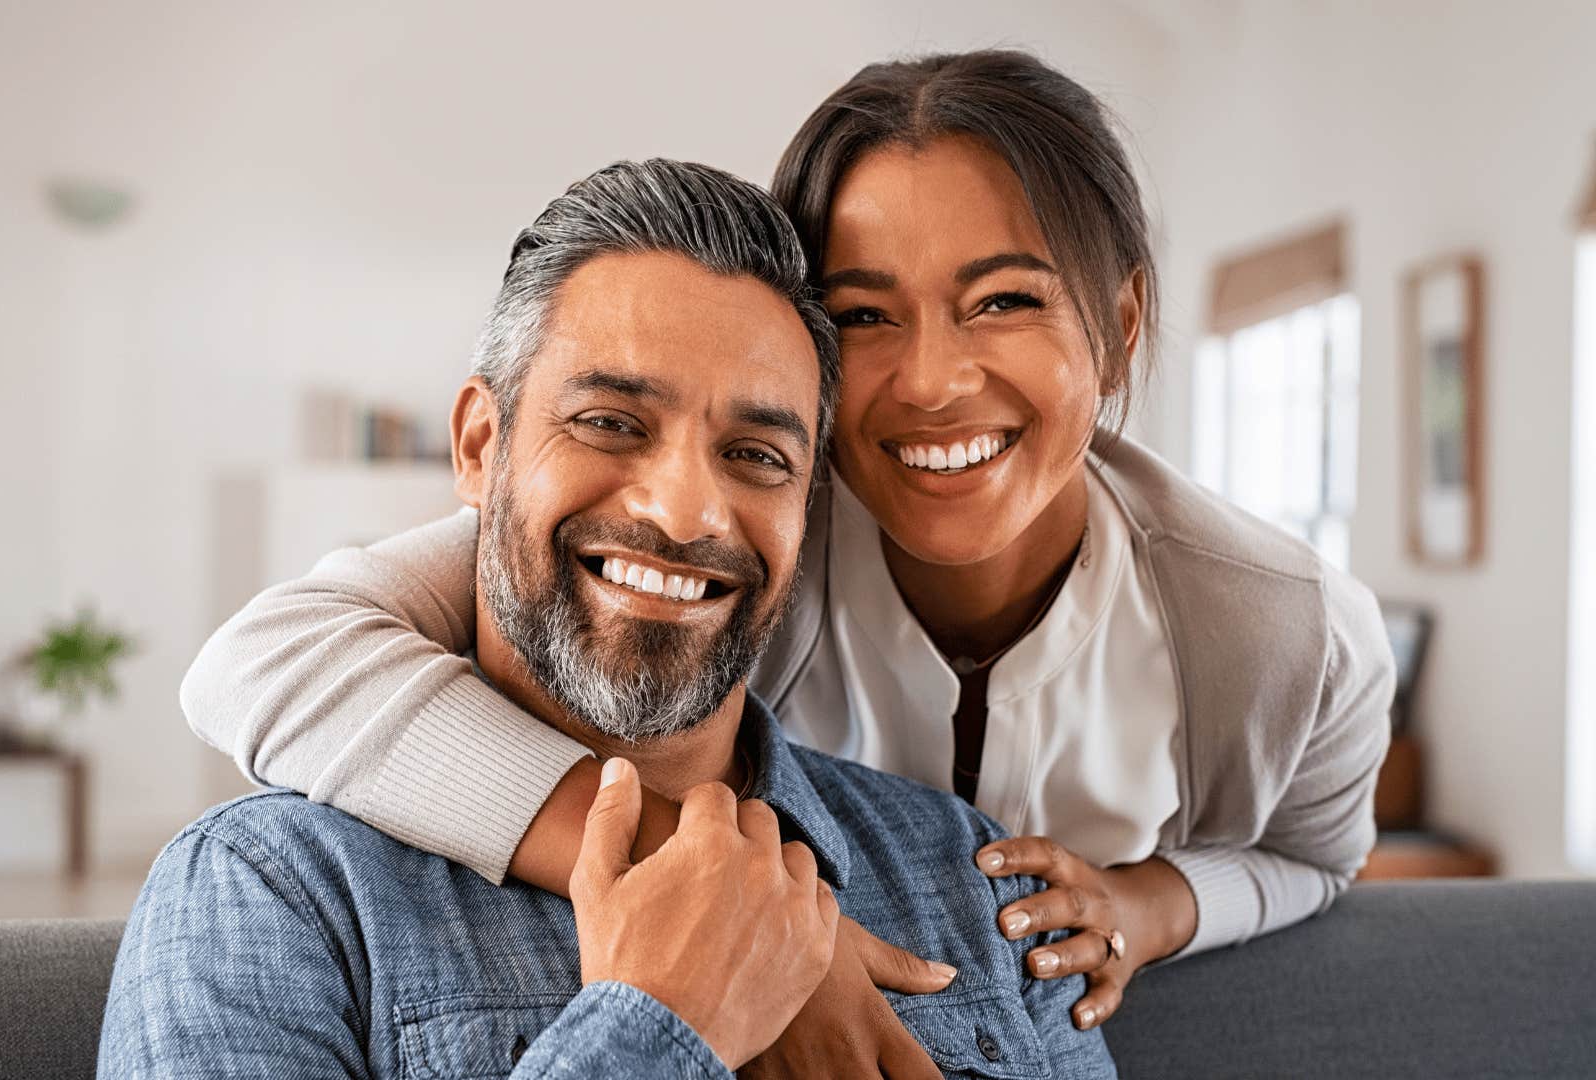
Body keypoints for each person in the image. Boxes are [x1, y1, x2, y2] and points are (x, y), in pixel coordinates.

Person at [183, 49, 1393, 1061]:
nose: (929, 381)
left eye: (1006, 300)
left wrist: (1150, 903)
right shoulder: (738, 539)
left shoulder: (1272, 631)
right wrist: (731, 922)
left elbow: (1314, 858)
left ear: (1119, 327)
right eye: (864, 316)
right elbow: (269, 658)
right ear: (482, 444)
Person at [100, 159, 1115, 1079]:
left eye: (757, 455)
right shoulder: (272, 895)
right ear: (480, 447)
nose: (682, 512)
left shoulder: (974, 880)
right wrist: (660, 1023)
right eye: (610, 425)